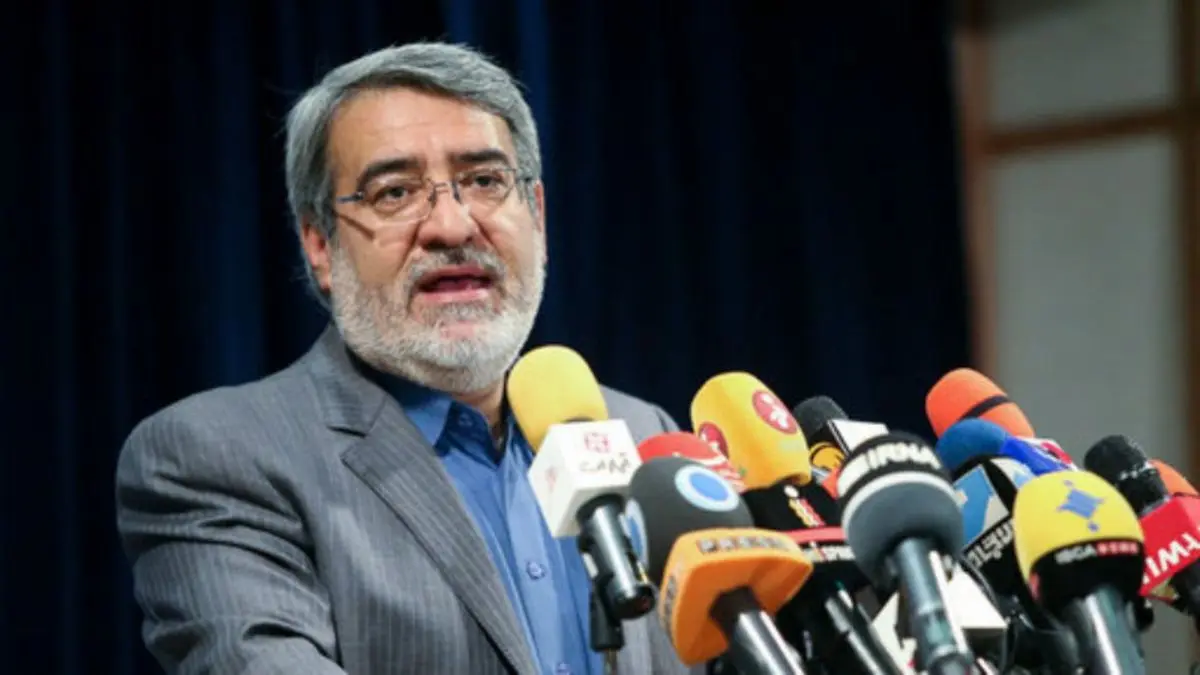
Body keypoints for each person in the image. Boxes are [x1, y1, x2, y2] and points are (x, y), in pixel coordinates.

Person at [115, 42, 694, 675]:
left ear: (538, 216)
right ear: (319, 244)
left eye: (485, 181)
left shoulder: (641, 435)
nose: (452, 226)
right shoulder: (216, 457)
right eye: (394, 193)